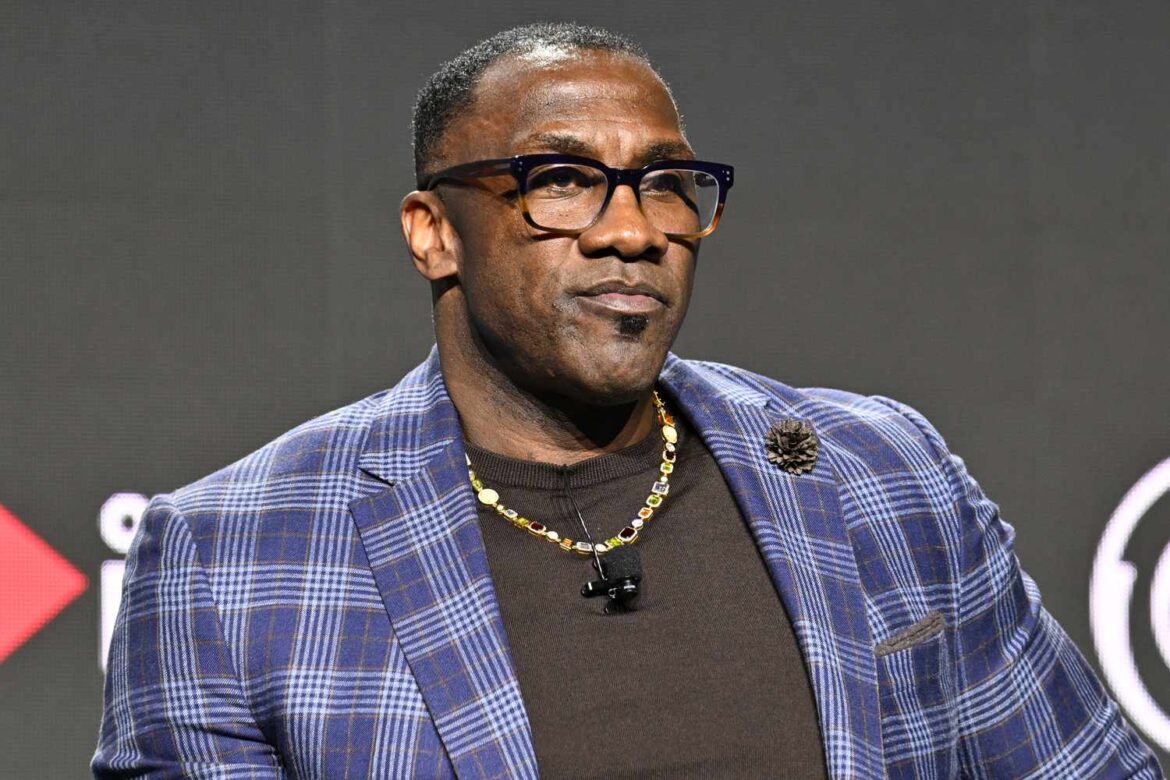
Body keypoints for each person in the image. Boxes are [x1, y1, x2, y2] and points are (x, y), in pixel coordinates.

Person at [94, 22, 1162, 779]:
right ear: (434, 232)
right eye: (560, 180)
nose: (632, 230)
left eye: (665, 183)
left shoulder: (880, 471)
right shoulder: (231, 557)